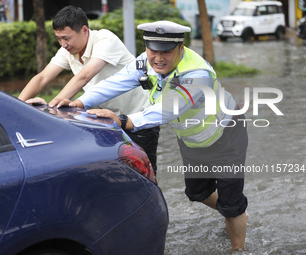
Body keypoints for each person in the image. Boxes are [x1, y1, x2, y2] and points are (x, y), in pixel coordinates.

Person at [50, 20, 249, 250]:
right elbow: (115, 82)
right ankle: (236, 214)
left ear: (180, 49)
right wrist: (77, 102)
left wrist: (124, 120)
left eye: (166, 51)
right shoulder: (145, 62)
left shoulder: (198, 75)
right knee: (197, 193)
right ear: (146, 48)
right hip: (192, 139)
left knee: (232, 203)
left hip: (226, 135)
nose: (158, 58)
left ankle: (238, 244)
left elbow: (167, 110)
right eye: (153, 50)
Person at [19, 6, 160, 172]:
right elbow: (42, 78)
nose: (63, 44)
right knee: (111, 171)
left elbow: (84, 76)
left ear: (84, 30)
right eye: (58, 39)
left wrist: (52, 111)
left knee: (143, 173)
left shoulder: (105, 40)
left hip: (137, 118)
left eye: (66, 38)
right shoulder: (68, 50)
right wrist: (16, 106)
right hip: (105, 119)